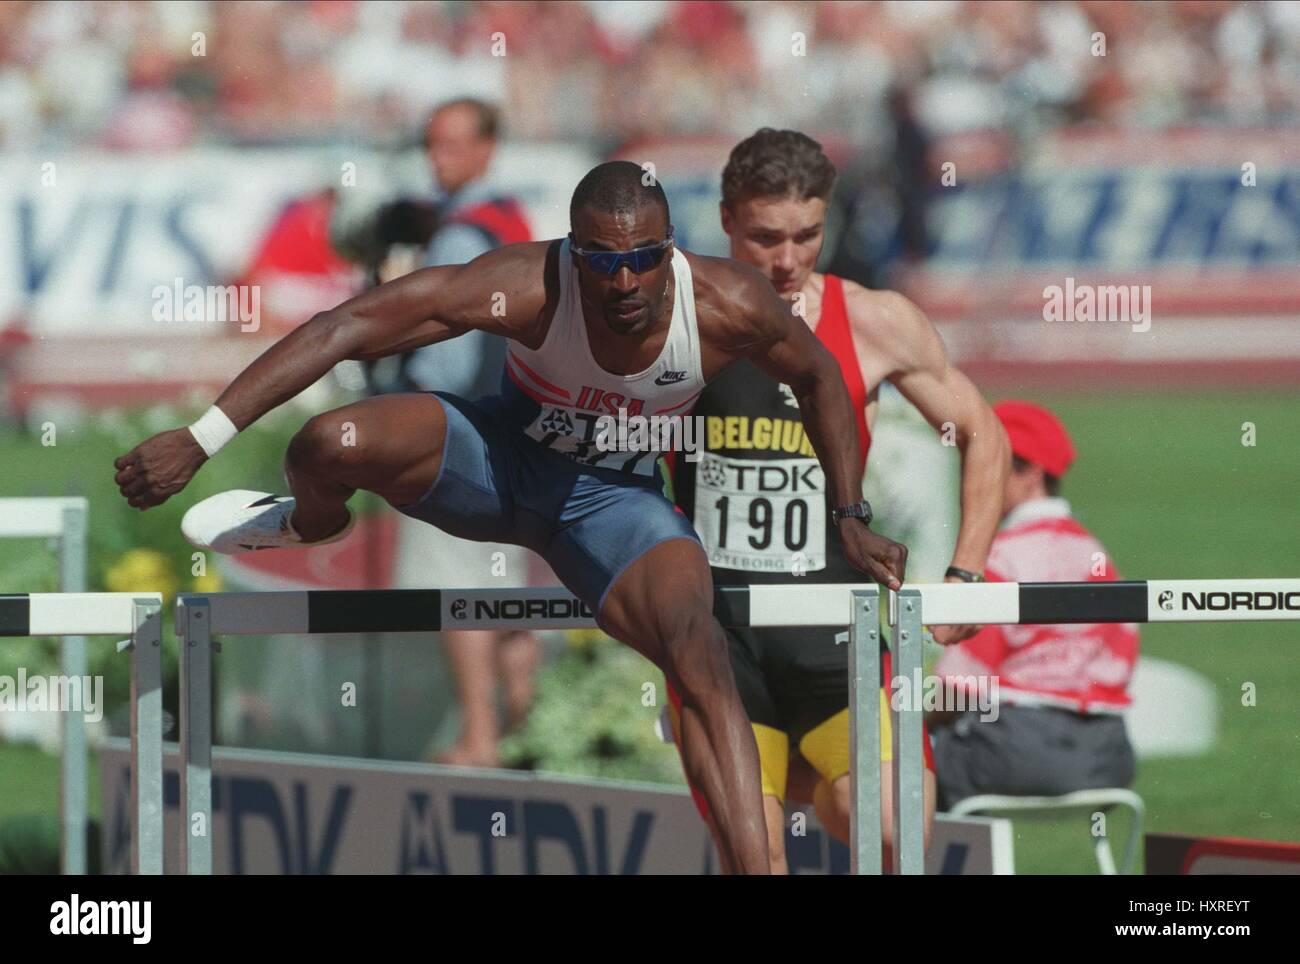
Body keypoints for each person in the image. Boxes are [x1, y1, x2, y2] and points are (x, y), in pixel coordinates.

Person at [113, 160, 910, 875]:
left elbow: (823, 379)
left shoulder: (729, 304)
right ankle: (314, 520)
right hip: (494, 464)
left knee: (697, 644)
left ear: (671, 248)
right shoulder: (527, 284)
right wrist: (201, 435)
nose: (626, 283)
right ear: (573, 253)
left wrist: (848, 512)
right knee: (331, 440)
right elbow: (345, 326)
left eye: (643, 260)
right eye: (604, 263)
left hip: (612, 505)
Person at [665, 128, 1010, 873]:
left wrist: (967, 577)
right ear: (726, 219)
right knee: (756, 859)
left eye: (807, 235)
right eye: (764, 238)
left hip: (838, 638)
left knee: (892, 834)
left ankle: (822, 797)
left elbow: (985, 433)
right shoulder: (672, 319)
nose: (787, 260)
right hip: (719, 645)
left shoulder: (873, 321)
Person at [398, 98, 540, 768]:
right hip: (515, 423)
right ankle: (523, 725)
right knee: (502, 582)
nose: (438, 158)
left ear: (486, 147)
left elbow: (440, 361)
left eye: (452, 145)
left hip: (457, 430)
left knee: (453, 588)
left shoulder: (461, 234)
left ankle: (480, 737)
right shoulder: (512, 220)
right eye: (434, 144)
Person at [931, 400, 1139, 809]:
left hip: (1017, 752)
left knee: (892, 770)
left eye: (985, 466)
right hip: (1110, 755)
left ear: (1031, 473)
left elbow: (959, 686)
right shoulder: (1095, 553)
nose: (971, 480)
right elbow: (1124, 654)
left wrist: (917, 725)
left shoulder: (999, 557)